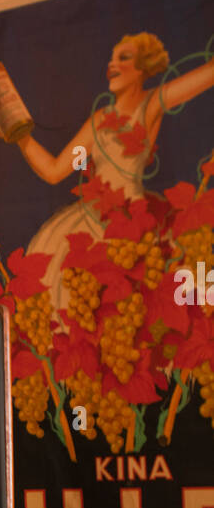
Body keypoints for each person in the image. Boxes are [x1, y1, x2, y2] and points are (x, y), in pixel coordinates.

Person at [16, 32, 214, 308]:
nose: (112, 65)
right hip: (93, 222)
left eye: (124, 57)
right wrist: (20, 138)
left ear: (143, 67)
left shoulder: (151, 104)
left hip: (135, 224)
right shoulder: (99, 121)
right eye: (111, 59)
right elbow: (55, 170)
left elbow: (206, 75)